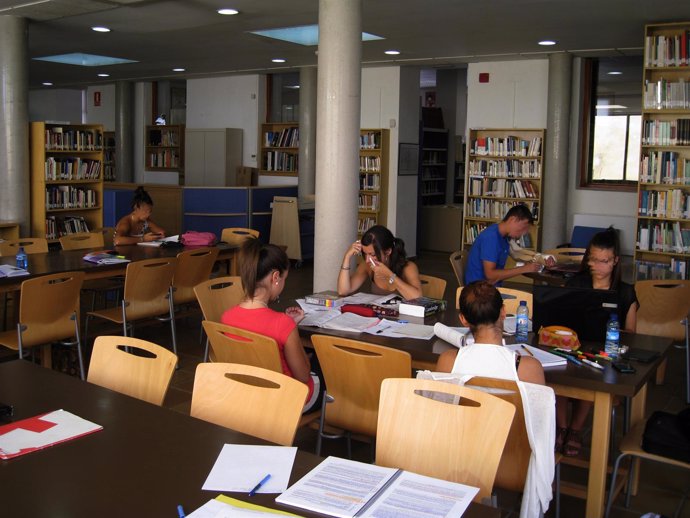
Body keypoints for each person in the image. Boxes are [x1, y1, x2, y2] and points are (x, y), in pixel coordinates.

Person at [555, 226, 639, 456]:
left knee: (595, 373)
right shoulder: (575, 285)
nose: (598, 266)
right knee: (556, 370)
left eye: (604, 261)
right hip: (573, 348)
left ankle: (575, 429)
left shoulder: (625, 293)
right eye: (594, 260)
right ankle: (561, 427)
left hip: (604, 354)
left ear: (615, 261)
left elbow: (631, 332)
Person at [221, 237, 321, 413]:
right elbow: (303, 375)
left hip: (246, 394)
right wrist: (293, 330)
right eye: (284, 279)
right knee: (320, 372)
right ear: (275, 277)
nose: (283, 284)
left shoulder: (227, 317)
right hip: (283, 400)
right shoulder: (283, 324)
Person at [436, 280, 545, 384]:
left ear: (463, 319)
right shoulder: (528, 368)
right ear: (503, 312)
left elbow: (437, 402)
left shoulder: (448, 361)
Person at [465, 204, 554, 286]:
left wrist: (543, 259)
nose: (524, 233)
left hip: (490, 287)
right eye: (523, 227)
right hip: (479, 292)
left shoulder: (504, 236)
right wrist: (524, 269)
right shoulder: (491, 237)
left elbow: (519, 253)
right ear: (512, 219)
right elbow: (490, 275)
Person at [337, 225, 422, 300]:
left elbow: (417, 298)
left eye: (373, 254)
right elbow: (343, 291)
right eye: (365, 254)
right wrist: (347, 257)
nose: (367, 260)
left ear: (388, 251)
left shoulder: (408, 267)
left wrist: (389, 275)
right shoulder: (367, 265)